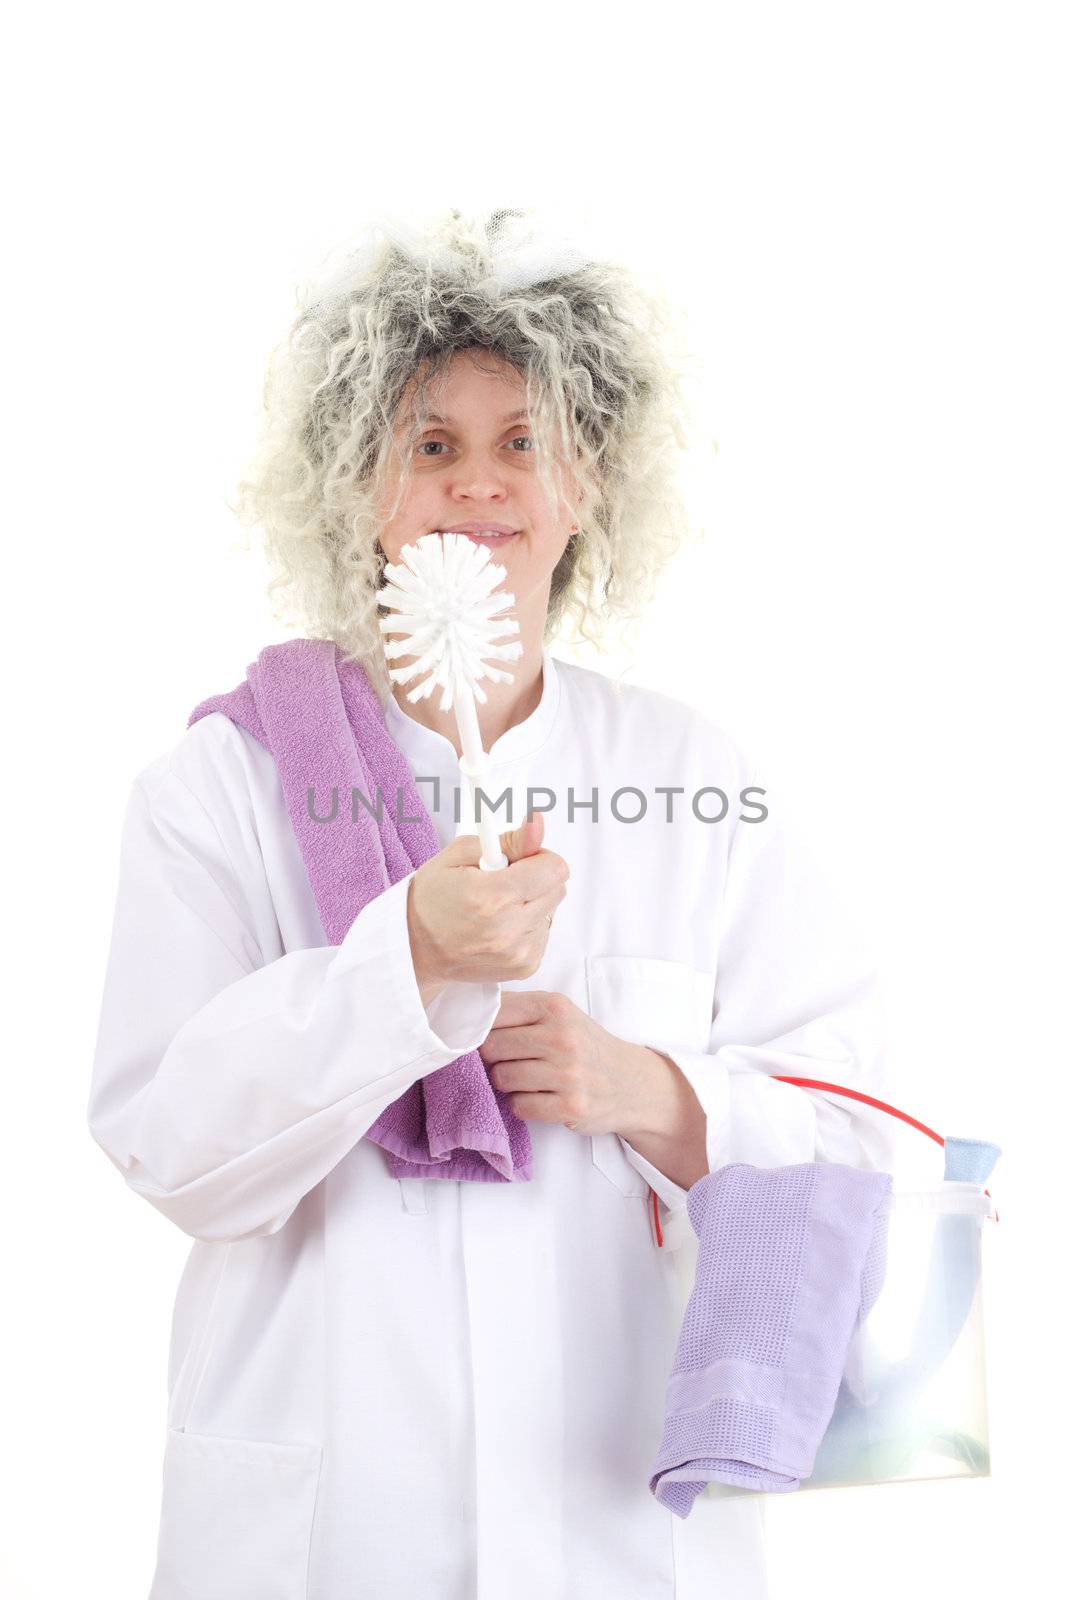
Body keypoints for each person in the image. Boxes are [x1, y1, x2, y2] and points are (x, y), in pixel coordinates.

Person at [87, 208, 895, 1600]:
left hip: (615, 1530)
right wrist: (399, 960)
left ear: (589, 482)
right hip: (327, 1526)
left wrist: (653, 1090)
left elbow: (861, 1139)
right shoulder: (219, 789)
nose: (481, 485)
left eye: (525, 441)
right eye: (432, 444)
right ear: (359, 483)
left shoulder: (696, 782)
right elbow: (167, 1145)